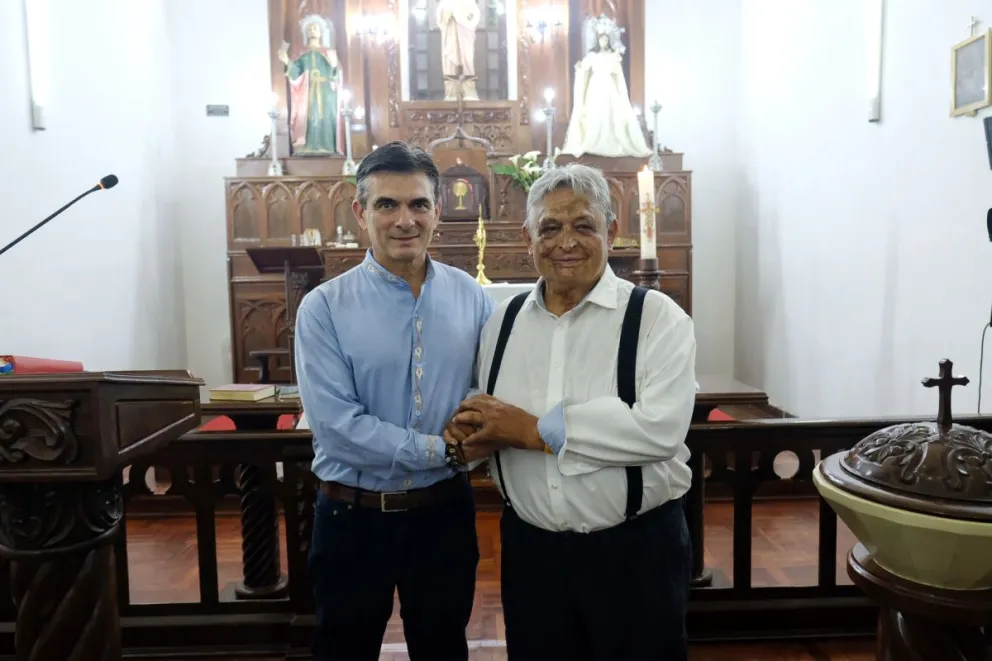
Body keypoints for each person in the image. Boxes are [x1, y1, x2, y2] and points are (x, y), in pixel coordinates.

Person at [445, 163, 695, 660]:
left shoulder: (655, 318)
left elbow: (659, 431)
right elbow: (489, 413)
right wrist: (470, 435)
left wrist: (534, 431)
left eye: (584, 225)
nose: (567, 242)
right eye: (550, 228)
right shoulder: (502, 322)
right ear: (527, 237)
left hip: (633, 554)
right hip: (532, 555)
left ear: (612, 230)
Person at [295, 141, 494, 661]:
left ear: (438, 210)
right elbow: (336, 426)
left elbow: (484, 387)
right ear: (361, 213)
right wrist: (441, 451)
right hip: (353, 518)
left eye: (418, 204)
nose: (404, 219)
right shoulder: (324, 307)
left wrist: (472, 423)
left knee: (444, 648)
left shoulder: (471, 296)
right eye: (387, 205)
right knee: (343, 650)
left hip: (443, 515)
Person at [562, 25, 651, 158]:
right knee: (596, 111)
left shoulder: (613, 55)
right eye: (601, 39)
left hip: (608, 85)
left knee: (610, 112)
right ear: (597, 41)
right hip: (596, 85)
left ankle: (611, 139)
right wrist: (579, 68)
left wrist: (616, 64)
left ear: (608, 41)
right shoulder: (592, 55)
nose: (603, 42)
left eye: (605, 39)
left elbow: (617, 72)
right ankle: (593, 140)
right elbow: (584, 67)